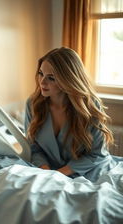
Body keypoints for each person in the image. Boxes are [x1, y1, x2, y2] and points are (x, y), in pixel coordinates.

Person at [25, 47, 122, 182]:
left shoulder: (89, 107)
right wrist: (46, 171)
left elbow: (96, 154)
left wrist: (59, 174)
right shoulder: (33, 105)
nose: (42, 82)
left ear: (68, 79)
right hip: (48, 172)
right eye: (41, 73)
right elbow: (34, 148)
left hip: (88, 170)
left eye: (51, 78)